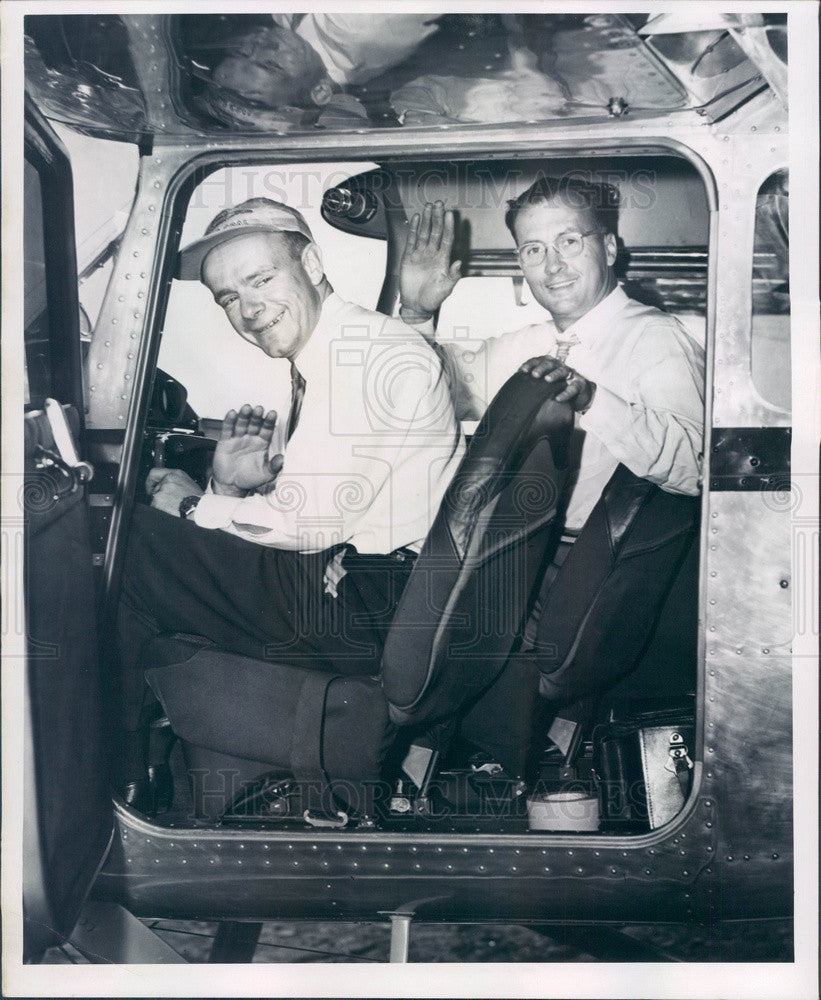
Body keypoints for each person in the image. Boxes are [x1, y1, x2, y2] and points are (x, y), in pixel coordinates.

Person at [118, 196, 464, 806]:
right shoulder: (335, 354)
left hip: (368, 604)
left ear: (312, 261)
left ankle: (102, 784)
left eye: (261, 279)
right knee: (173, 577)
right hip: (363, 586)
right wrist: (230, 488)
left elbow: (306, 523)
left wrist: (193, 505)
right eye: (227, 298)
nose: (249, 309)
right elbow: (312, 510)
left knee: (131, 544)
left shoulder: (367, 354)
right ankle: (201, 781)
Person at [399, 181, 704, 539]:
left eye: (569, 242)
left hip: (583, 566)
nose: (553, 265)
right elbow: (435, 393)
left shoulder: (656, 337)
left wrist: (591, 399)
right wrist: (416, 313)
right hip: (511, 548)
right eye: (534, 250)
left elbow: (695, 470)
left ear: (608, 249)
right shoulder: (526, 344)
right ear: (521, 264)